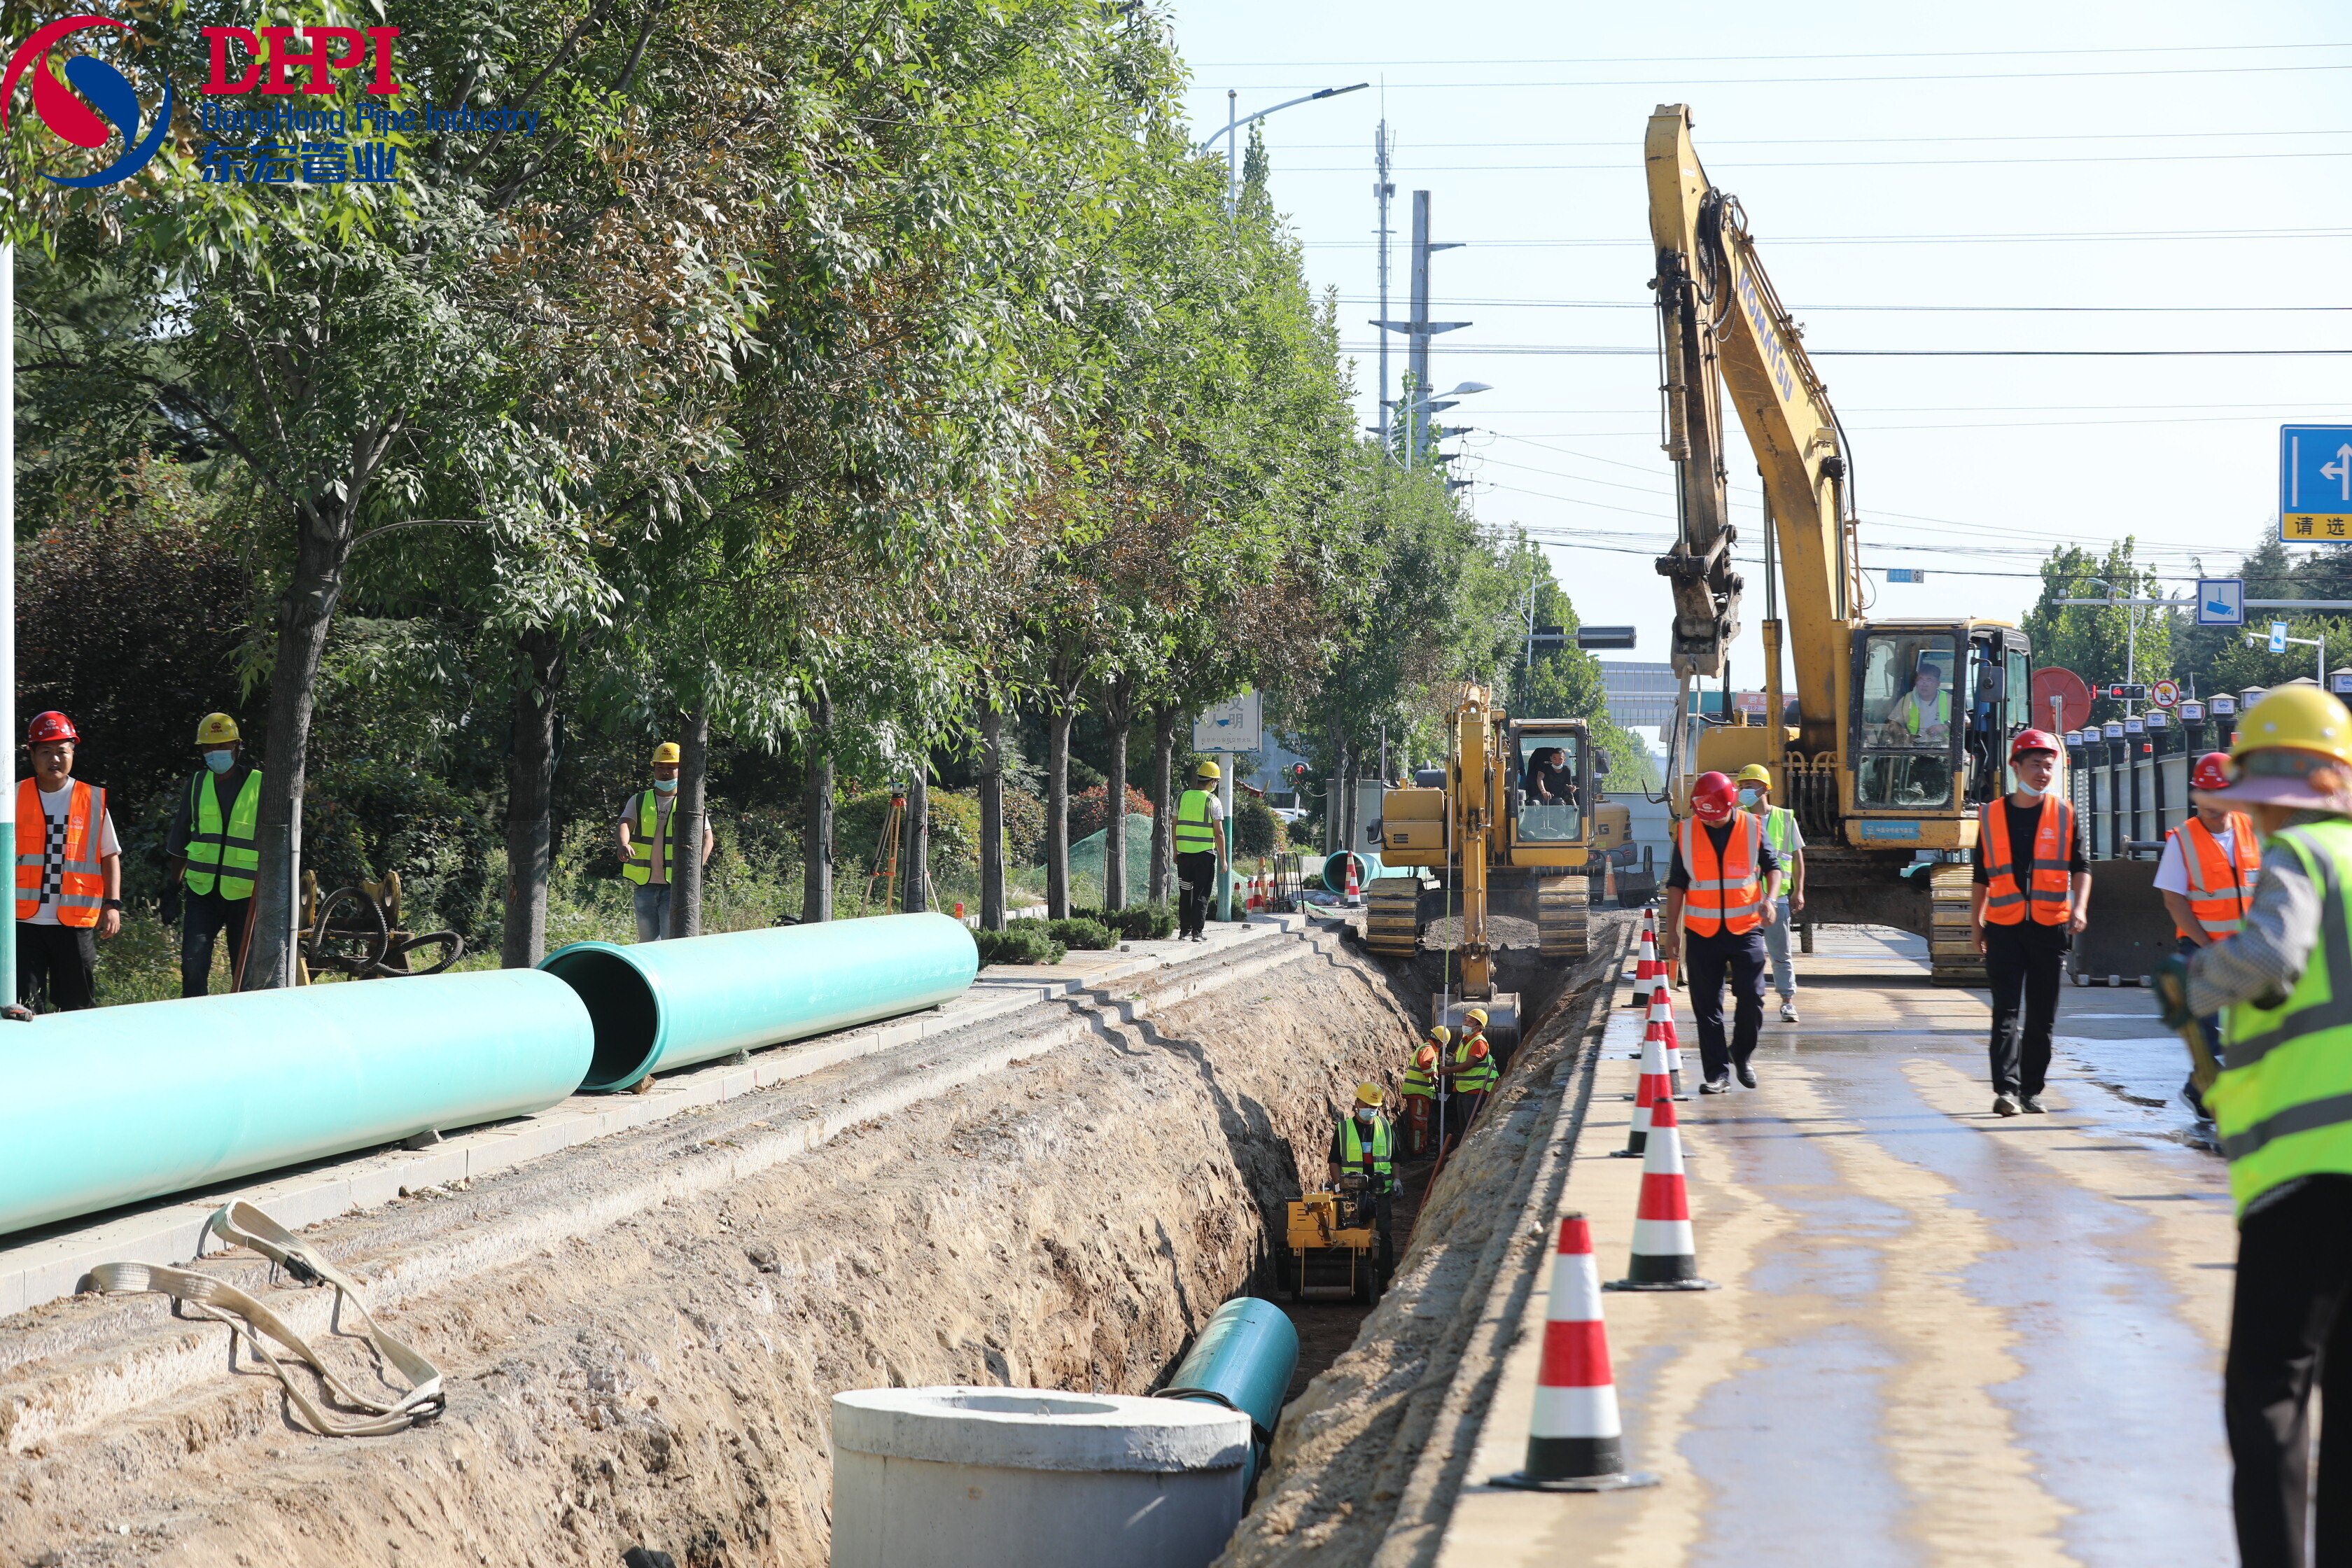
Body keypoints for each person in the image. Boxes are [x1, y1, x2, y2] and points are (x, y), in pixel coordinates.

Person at [2149, 686, 2352, 1567]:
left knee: (2269, 1394)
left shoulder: (2302, 853)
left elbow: (2270, 954)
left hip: (2309, 1175)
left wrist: (2192, 985)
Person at [1969, 728, 2091, 1116]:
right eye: (2036, 765)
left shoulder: (2065, 813)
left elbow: (2081, 867)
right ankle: (2006, 1090)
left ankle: (2031, 1091)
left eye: (2049, 766)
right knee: (2004, 1012)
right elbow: (1980, 875)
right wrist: (1976, 923)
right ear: (2016, 766)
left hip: (2048, 928)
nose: (2043, 773)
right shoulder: (1991, 815)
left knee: (2041, 1017)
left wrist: (2080, 907)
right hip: (2004, 927)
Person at [1660, 771, 1782, 1093]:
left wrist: (1770, 900)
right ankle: (1717, 1074)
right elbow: (1677, 884)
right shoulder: (1687, 831)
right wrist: (1672, 932)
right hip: (1702, 933)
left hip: (1746, 929)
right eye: (1706, 817)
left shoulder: (1753, 827)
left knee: (1752, 998)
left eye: (1716, 817)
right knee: (1707, 1008)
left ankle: (1741, 1052)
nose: (1711, 822)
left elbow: (1773, 869)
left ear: (1730, 805)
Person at [2158, 750, 2258, 1138]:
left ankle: (2202, 1090)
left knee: (2252, 1027)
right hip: (2202, 948)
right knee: (2210, 1029)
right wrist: (2204, 944)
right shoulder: (2182, 840)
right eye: (2206, 795)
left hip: (2249, 949)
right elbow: (2174, 901)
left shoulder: (2252, 830)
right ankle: (2209, 1092)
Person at [14, 711, 122, 1012]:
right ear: (32, 754)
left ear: (73, 753)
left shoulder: (92, 799)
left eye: (62, 751)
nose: (55, 759)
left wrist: (112, 904)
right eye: (46, 751)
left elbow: (109, 855)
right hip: (23, 924)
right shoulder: (12, 796)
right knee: (23, 1007)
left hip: (74, 924)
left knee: (77, 1008)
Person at [163, 712, 261, 997]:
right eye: (209, 747)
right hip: (202, 893)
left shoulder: (260, 784)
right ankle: (196, 1018)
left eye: (222, 746)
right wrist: (172, 888)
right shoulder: (196, 784)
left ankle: (241, 1019)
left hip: (245, 895)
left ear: (237, 747)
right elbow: (181, 838)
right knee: (192, 965)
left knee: (243, 975)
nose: (215, 753)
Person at [617, 742, 713, 942]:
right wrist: (623, 844)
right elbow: (625, 823)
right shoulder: (639, 800)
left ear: (681, 770)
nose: (665, 772)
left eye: (671, 767)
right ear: (654, 769)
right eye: (660, 767)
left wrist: (696, 869)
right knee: (647, 941)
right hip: (644, 883)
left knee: (671, 940)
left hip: (675, 885)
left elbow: (707, 839)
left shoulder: (690, 803)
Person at [1735, 764, 1808, 1023]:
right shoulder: (1738, 818)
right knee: (1744, 956)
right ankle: (1747, 1002)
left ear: (1765, 788)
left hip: (1776, 900)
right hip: (1745, 899)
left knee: (1781, 954)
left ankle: (1787, 1002)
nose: (1744, 790)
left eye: (1750, 785)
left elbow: (1797, 857)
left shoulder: (1785, 819)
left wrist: (1799, 890)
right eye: (1742, 786)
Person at [1326, 1082, 1398, 1287]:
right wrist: (1339, 1185)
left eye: (1374, 1106)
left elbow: (1395, 1158)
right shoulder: (1344, 1129)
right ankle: (1353, 1279)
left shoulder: (1385, 1127)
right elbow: (1334, 1161)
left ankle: (1385, 1280)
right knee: (1352, 1234)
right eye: (1366, 1104)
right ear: (1357, 1103)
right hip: (1352, 1193)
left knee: (1383, 1233)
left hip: (1381, 1191)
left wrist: (1397, 1179)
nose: (1370, 1109)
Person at [1171, 760, 1229, 943]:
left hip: (1184, 855)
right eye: (1216, 781)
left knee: (1185, 892)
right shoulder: (1213, 801)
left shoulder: (1181, 798)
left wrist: (1175, 851)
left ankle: (1184, 931)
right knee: (1201, 893)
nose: (1216, 784)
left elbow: (1174, 826)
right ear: (1212, 781)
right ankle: (1197, 932)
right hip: (1205, 855)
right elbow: (1219, 833)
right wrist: (1223, 859)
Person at [1437, 1007, 1497, 1145]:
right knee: (1464, 1127)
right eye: (1466, 1020)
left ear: (1478, 1027)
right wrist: (1447, 1062)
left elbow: (1469, 1064)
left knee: (1472, 1128)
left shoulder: (1479, 1042)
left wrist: (1449, 1070)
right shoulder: (1465, 1040)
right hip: (1464, 1090)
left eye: (1470, 1022)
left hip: (1476, 1091)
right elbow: (1456, 1057)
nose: (1465, 1023)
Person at [1884, 660, 1951, 748]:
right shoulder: (1908, 699)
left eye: (1929, 680)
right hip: (1913, 746)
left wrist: (1944, 727)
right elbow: (1894, 721)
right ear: (1916, 682)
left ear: (1937, 684)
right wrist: (1901, 733)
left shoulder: (1949, 699)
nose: (1924, 684)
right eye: (1921, 680)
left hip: (1942, 747)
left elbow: (1966, 723)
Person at [1401, 1030, 1441, 1156]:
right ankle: (1418, 1151)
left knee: (1419, 1122)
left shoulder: (1426, 1047)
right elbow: (1425, 1063)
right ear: (1440, 1042)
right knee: (1419, 1123)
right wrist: (1433, 1076)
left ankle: (1421, 1148)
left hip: (1418, 1093)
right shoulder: (1429, 1049)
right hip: (1419, 1093)